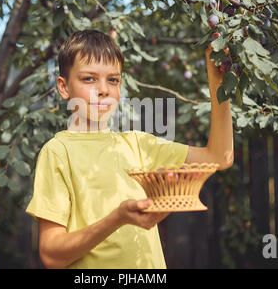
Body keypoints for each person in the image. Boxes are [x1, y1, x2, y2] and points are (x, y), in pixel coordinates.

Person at [25, 30, 234, 269]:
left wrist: (218, 82)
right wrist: (118, 218)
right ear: (64, 87)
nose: (103, 89)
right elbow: (51, 256)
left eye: (112, 80)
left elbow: (219, 157)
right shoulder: (58, 151)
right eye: (89, 79)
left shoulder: (138, 144)